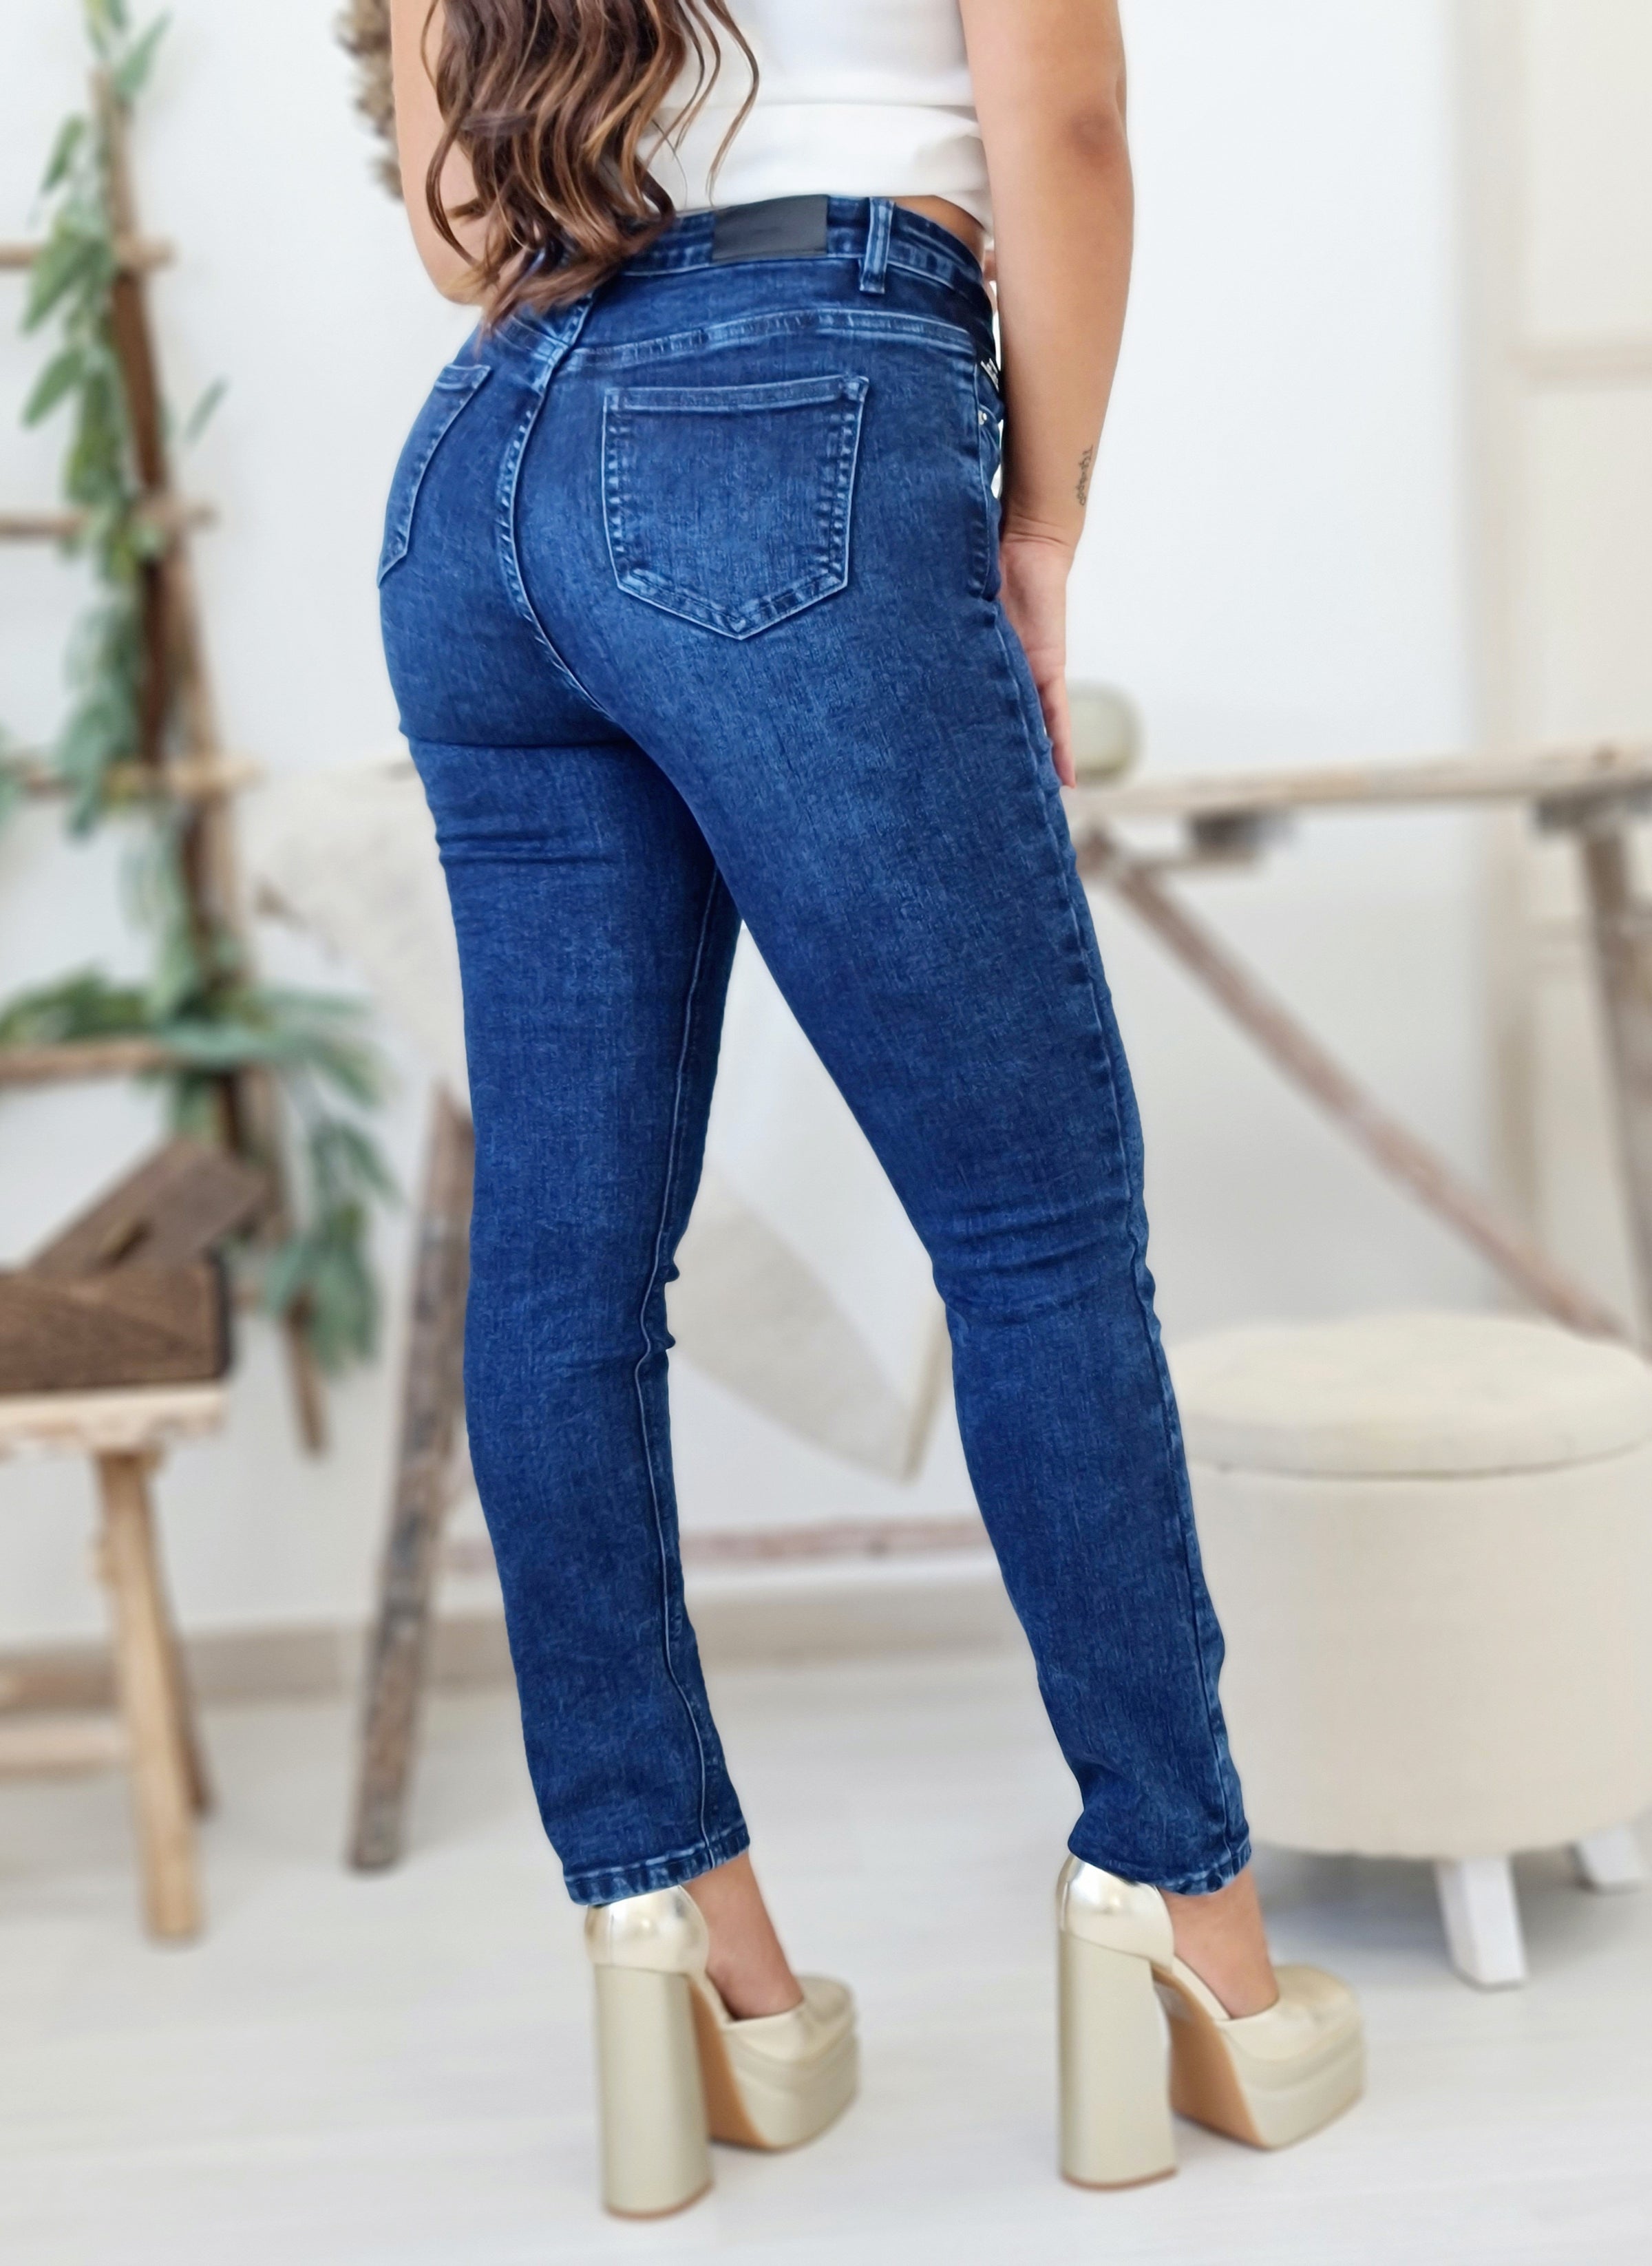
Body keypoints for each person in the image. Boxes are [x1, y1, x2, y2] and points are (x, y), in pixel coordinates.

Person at [381, 0, 1363, 2215]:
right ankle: (1191, 1927)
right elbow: (1066, 118)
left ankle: (686, 1945)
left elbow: (459, 233)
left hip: (478, 478)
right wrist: (1046, 518)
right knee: (1033, 1230)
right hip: (795, 416)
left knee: (565, 1269)